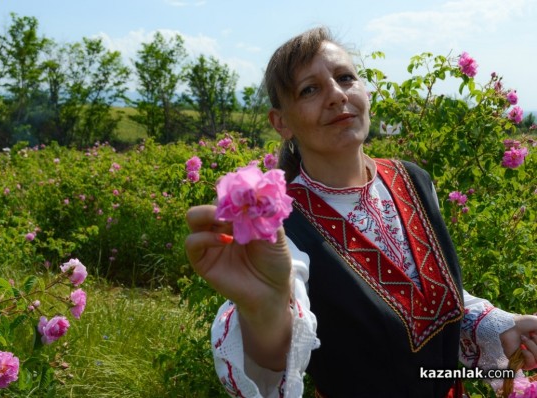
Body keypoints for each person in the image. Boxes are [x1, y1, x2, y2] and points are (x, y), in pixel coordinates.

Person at [185, 26, 537, 398]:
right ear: (281, 122)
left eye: (345, 78)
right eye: (310, 89)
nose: (337, 95)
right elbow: (275, 352)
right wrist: (265, 311)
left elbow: (424, 302)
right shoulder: (280, 226)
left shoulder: (412, 179)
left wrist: (502, 326)